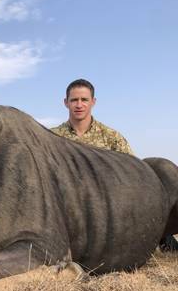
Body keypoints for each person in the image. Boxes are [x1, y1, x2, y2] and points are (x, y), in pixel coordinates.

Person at [51, 78, 177, 251]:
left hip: (107, 205)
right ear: (66, 103)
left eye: (84, 99)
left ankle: (160, 234)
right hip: (67, 205)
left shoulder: (111, 137)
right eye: (74, 100)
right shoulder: (52, 138)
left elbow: (133, 173)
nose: (79, 105)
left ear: (93, 102)